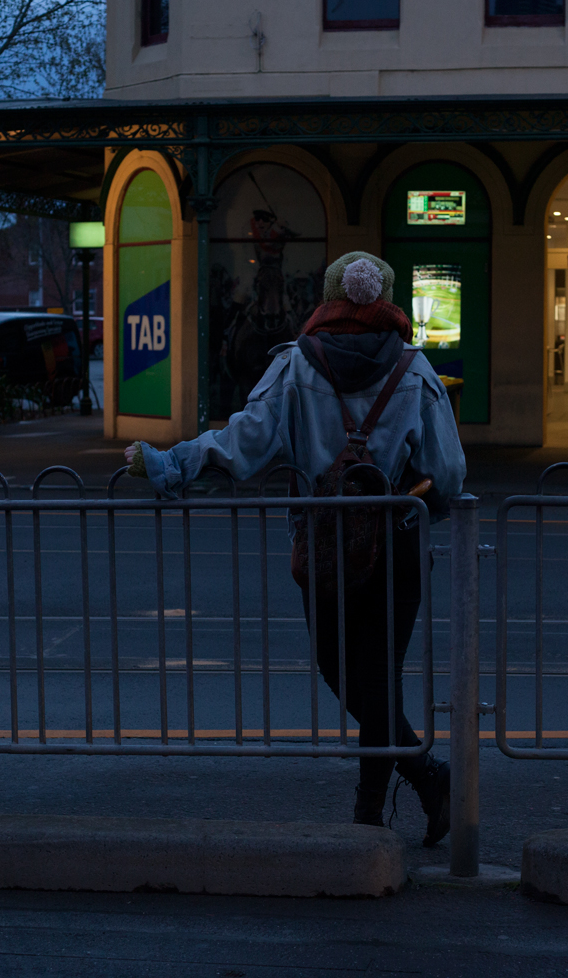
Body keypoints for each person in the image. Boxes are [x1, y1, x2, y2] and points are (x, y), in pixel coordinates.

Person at [125, 252, 466, 846]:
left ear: (329, 300)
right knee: (378, 677)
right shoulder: (416, 371)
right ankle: (418, 784)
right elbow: (450, 474)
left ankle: (382, 808)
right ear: (386, 302)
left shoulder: (295, 367)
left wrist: (167, 464)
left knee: (345, 673)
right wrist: (413, 499)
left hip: (326, 547)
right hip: (399, 548)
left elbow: (240, 443)